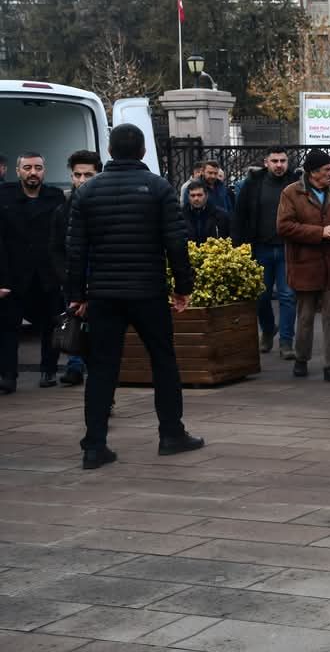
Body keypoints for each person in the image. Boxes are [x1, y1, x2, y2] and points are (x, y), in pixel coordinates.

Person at [67, 124, 204, 469]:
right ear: (143, 152)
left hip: (103, 294)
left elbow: (75, 251)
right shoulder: (159, 189)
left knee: (101, 368)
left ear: (109, 153)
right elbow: (176, 242)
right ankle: (171, 434)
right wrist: (183, 287)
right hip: (148, 292)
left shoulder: (87, 193)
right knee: (163, 361)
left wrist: (77, 294)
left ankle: (94, 446)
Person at [277, 149, 330, 384]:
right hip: (304, 265)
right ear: (313, 173)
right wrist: (320, 232)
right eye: (327, 170)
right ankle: (301, 358)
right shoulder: (291, 193)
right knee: (306, 315)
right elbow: (284, 226)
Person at [0, 151, 66, 392]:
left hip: (47, 275)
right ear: (18, 171)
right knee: (9, 327)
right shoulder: (4, 196)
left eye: (37, 168)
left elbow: (62, 237)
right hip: (14, 274)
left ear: (44, 171)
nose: (33, 173)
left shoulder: (56, 197)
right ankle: (8, 375)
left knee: (51, 324)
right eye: (27, 168)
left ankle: (48, 370)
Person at [232, 147, 299, 359]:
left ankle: (286, 342)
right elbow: (240, 214)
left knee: (288, 296)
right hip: (260, 248)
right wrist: (238, 245)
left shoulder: (295, 184)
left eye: (282, 161)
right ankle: (268, 329)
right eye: (275, 161)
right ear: (266, 162)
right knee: (261, 295)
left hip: (288, 248)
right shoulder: (253, 183)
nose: (279, 165)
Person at [49, 150, 102, 386]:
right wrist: (67, 279)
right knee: (74, 328)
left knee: (99, 338)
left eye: (88, 175)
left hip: (101, 282)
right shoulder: (63, 212)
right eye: (77, 175)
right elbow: (56, 249)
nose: (81, 180)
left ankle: (100, 386)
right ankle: (75, 367)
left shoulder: (106, 207)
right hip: (73, 282)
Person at [182, 179, 231, 244]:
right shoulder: (180, 216)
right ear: (188, 196)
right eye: (193, 195)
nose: (196, 199)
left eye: (199, 195)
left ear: (206, 195)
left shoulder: (221, 216)